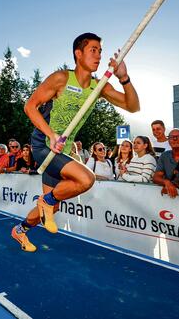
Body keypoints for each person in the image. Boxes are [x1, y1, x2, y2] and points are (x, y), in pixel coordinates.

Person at [12, 32, 140, 252]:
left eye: (100, 51)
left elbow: (132, 106)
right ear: (78, 53)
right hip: (44, 142)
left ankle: (20, 230)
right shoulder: (61, 78)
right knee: (86, 179)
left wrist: (124, 78)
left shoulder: (99, 87)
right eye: (93, 50)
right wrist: (51, 134)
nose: (99, 55)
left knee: (55, 205)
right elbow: (30, 106)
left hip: (63, 147)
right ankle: (46, 202)